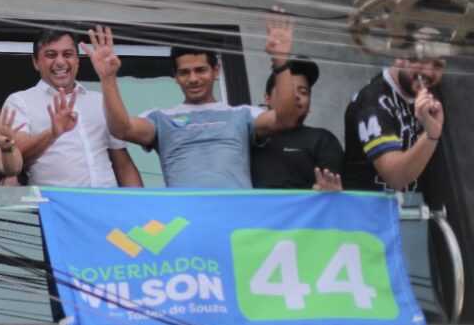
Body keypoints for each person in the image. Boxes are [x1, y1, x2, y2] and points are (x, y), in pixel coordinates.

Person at [84, 17, 299, 188]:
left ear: (216, 71)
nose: (193, 78)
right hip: (185, 218)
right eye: (184, 72)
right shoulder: (161, 118)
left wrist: (281, 62)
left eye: (200, 70)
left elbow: (286, 119)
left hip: (235, 216)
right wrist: (108, 77)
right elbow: (122, 129)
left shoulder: (243, 115)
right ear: (176, 77)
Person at [2, 29, 142, 188]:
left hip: (107, 200)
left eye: (67, 54)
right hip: (56, 202)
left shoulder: (99, 100)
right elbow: (16, 158)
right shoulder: (20, 101)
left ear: (77, 60)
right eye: (51, 55)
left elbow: (122, 164)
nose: (60, 62)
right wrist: (52, 133)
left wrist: (142, 203)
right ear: (35, 62)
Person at [342, 47, 446, 193]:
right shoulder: (373, 103)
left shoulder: (420, 94)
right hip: (368, 203)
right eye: (421, 59)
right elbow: (395, 178)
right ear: (399, 56)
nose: (429, 72)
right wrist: (431, 134)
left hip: (405, 205)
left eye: (438, 65)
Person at [250, 57, 343, 190]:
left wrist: (330, 191)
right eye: (287, 91)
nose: (296, 96)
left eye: (303, 92)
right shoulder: (249, 138)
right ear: (267, 98)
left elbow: (333, 193)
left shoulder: (322, 140)